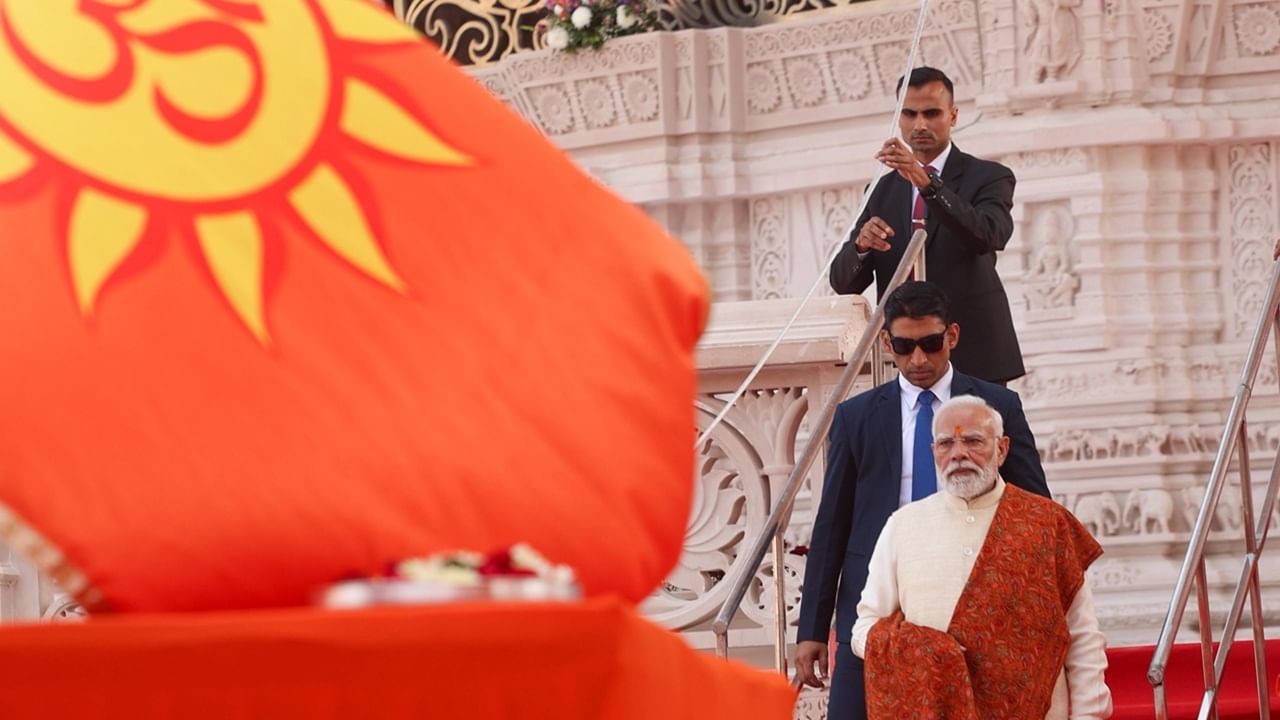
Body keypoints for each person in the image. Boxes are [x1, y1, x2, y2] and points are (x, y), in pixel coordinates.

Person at [793, 281, 1050, 720]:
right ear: (887, 343)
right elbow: (832, 523)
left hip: (970, 594)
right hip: (874, 600)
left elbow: (1035, 510)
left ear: (952, 336)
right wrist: (812, 628)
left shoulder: (997, 404)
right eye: (905, 347)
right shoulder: (857, 417)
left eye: (930, 344)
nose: (918, 360)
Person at [852, 395, 1111, 719]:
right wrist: (921, 650)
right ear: (934, 453)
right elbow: (864, 627)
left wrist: (1088, 716)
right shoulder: (902, 525)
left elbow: (1082, 636)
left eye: (973, 441)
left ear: (1001, 449)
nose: (959, 453)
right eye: (946, 443)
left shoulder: (1047, 524)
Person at [830, 66, 1024, 384]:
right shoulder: (881, 189)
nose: (920, 124)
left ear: (953, 115)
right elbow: (842, 282)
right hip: (906, 360)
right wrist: (861, 247)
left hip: (974, 356)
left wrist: (927, 184)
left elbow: (989, 234)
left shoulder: (989, 176)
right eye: (909, 114)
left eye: (931, 113)